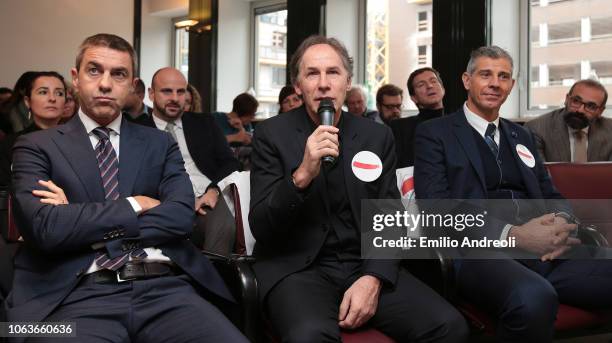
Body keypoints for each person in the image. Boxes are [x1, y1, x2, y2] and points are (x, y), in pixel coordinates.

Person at [8, 33, 248, 343]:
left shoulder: (159, 143)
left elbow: (179, 218)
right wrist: (135, 205)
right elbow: (46, 229)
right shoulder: (36, 145)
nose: (105, 83)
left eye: (118, 74)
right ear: (75, 79)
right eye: (94, 70)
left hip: (167, 290)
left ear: (132, 85)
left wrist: (77, 221)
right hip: (74, 297)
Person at [249, 34, 468, 343]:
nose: (324, 83)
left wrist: (374, 277)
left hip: (364, 263)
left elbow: (390, 219)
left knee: (449, 326)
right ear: (298, 86)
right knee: (308, 336)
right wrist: (301, 175)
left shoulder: (375, 137)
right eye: (312, 73)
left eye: (333, 72)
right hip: (298, 269)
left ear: (347, 81)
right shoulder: (271, 135)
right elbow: (261, 226)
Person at [414, 45, 612, 342]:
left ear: (512, 85)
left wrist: (559, 224)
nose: (495, 83)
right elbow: (437, 207)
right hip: (479, 252)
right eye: (486, 74)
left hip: (547, 251)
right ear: (467, 80)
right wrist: (515, 235)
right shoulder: (435, 133)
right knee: (533, 297)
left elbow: (551, 193)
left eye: (503, 76)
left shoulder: (524, 136)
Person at [135, 67, 240, 255]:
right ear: (151, 94)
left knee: (223, 225)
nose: (175, 98)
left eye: (180, 91)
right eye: (167, 91)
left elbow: (230, 163)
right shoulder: (137, 130)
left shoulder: (204, 123)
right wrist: (178, 200)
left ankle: (213, 282)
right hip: (164, 205)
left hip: (207, 199)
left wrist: (214, 190)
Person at [0, 71, 66, 186]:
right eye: (43, 92)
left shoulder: (79, 140)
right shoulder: (11, 144)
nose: (52, 98)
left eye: (59, 93)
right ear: (27, 101)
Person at [525, 79, 612, 162]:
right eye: (576, 101)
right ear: (567, 99)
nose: (580, 110)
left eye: (590, 106)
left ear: (600, 111)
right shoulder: (536, 129)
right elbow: (538, 174)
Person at [389, 67, 446, 167]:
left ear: (443, 89)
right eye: (421, 85)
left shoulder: (460, 123)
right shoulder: (400, 128)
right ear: (413, 98)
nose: (429, 86)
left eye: (433, 81)